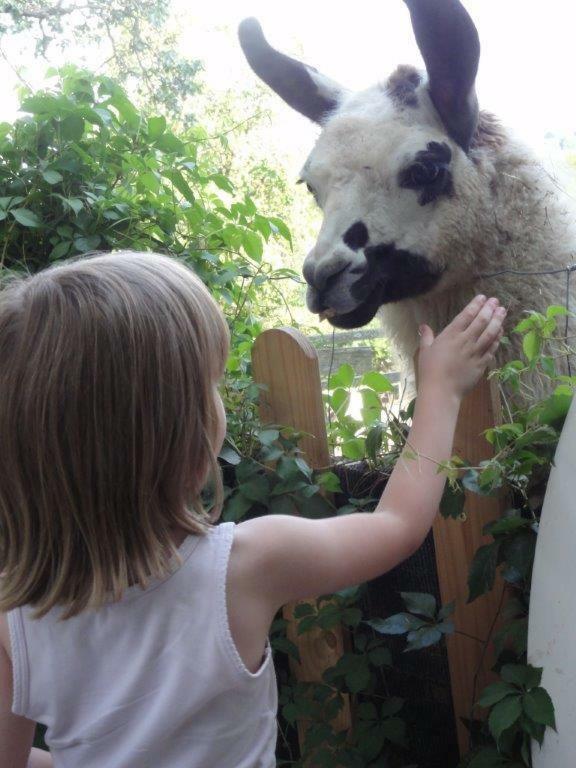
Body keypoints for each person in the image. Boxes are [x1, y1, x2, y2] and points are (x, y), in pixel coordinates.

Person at [0, 251, 505, 768]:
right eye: (211, 386)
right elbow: (397, 525)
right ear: (188, 444)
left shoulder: (14, 621)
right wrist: (440, 390)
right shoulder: (243, 567)